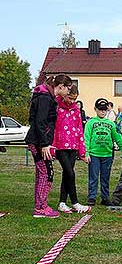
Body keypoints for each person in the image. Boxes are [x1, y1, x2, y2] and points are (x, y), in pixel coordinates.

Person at [25, 74, 72, 218]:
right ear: (61, 87)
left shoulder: (47, 97)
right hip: (39, 142)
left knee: (44, 173)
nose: (68, 92)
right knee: (46, 172)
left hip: (40, 141)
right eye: (68, 89)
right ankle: (40, 208)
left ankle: (41, 205)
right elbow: (40, 122)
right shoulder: (45, 98)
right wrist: (45, 144)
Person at [53, 85, 92, 214]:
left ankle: (62, 202)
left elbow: (80, 129)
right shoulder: (56, 106)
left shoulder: (76, 109)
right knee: (70, 173)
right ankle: (75, 202)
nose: (71, 101)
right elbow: (53, 127)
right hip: (60, 146)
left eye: (74, 99)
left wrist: (82, 150)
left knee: (67, 174)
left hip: (73, 146)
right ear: (64, 94)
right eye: (70, 98)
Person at [84, 98, 122, 206]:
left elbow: (117, 137)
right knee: (93, 177)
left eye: (104, 109)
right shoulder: (90, 122)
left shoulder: (111, 124)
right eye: (100, 109)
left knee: (105, 177)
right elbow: (86, 138)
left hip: (107, 154)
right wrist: (86, 153)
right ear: (95, 109)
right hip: (94, 154)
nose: (102, 112)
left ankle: (105, 197)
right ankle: (92, 197)